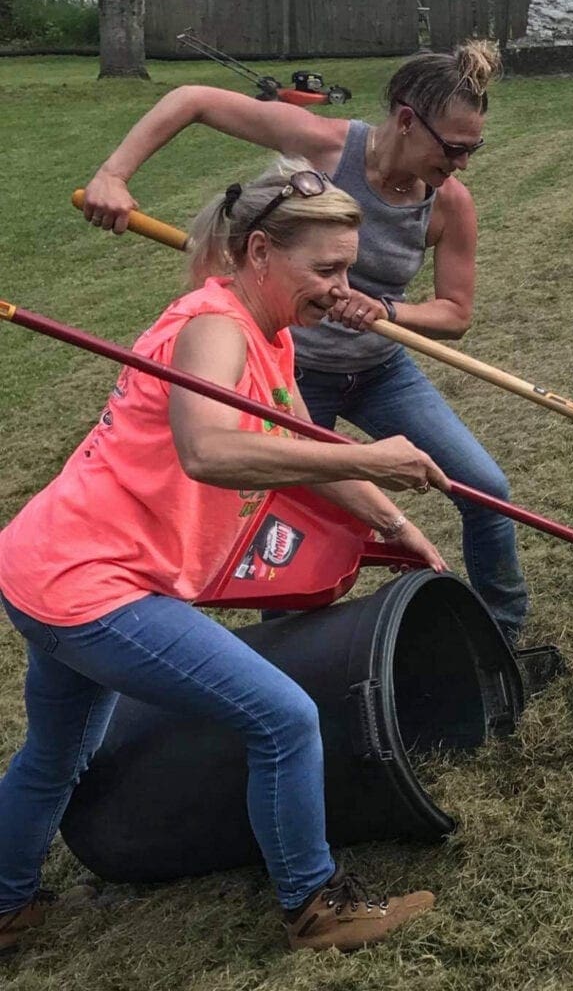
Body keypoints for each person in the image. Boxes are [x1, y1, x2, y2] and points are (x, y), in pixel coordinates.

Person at [0, 161, 449, 955]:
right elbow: (208, 449)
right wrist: (378, 460)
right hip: (93, 583)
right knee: (282, 719)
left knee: (57, 754)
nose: (341, 288)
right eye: (326, 269)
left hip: (43, 562)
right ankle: (314, 907)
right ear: (258, 253)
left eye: (347, 268)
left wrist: (392, 525)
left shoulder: (268, 334)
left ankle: (5, 902)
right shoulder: (211, 327)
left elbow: (304, 445)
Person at [82, 41, 529, 645]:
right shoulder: (324, 146)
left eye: (473, 148)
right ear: (404, 120)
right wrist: (114, 174)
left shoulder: (449, 203)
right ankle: (289, 655)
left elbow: (455, 313)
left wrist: (388, 309)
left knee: (487, 490)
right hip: (290, 374)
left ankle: (501, 633)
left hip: (379, 371)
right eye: (453, 147)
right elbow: (191, 100)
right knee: (285, 518)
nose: (463, 163)